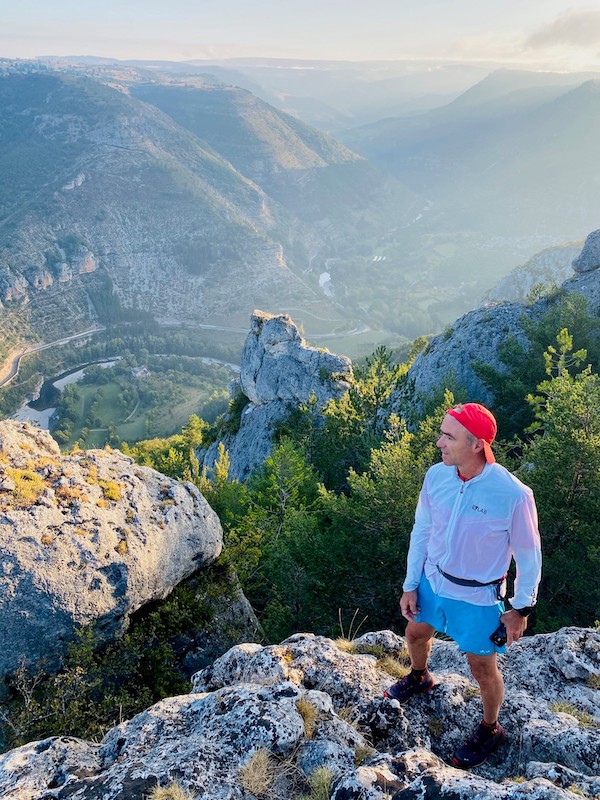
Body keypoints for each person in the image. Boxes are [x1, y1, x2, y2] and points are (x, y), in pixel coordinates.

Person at [384, 402, 542, 769]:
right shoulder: (436, 477)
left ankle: (491, 729)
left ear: (476, 444)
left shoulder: (513, 495)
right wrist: (411, 585)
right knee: (415, 633)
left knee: (481, 667)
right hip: (433, 582)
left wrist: (520, 608)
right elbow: (421, 531)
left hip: (477, 596)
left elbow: (529, 556)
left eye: (448, 436)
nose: (439, 442)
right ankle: (420, 676)